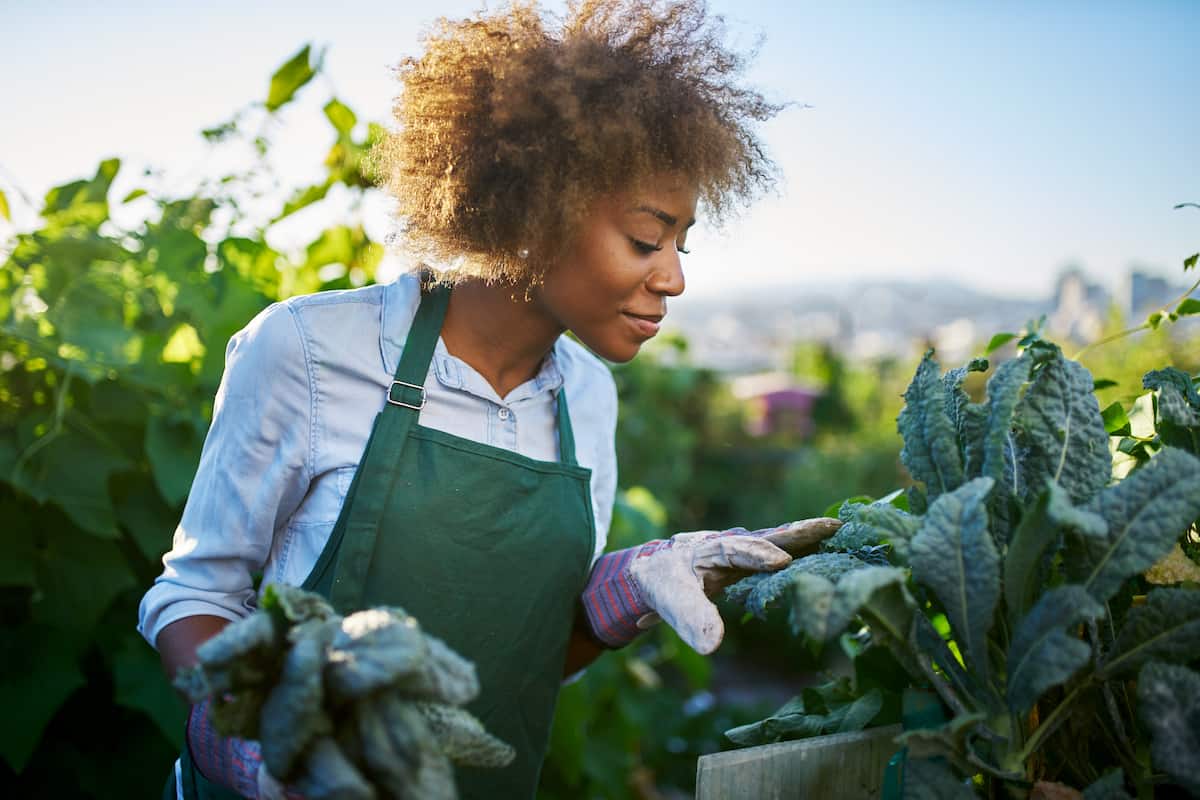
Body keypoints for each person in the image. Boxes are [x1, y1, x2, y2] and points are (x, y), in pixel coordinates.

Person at [138, 2, 839, 798]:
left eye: (684, 242)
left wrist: (619, 598)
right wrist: (259, 744)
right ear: (538, 213)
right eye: (647, 240)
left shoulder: (589, 400)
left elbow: (520, 668)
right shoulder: (310, 350)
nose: (674, 277)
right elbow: (196, 597)